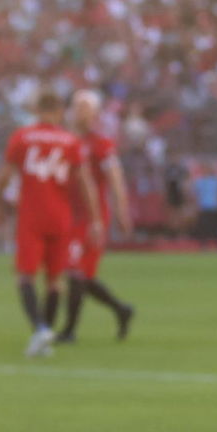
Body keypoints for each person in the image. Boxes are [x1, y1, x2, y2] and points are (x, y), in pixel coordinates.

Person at [0, 88, 101, 358]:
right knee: (55, 281)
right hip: (61, 217)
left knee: (24, 275)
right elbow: (85, 182)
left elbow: (2, 176)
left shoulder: (23, 137)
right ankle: (46, 334)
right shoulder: (70, 141)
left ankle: (40, 328)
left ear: (37, 110)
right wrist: (95, 218)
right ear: (61, 112)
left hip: (32, 215)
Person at [55, 89, 136, 344]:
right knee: (81, 275)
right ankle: (121, 309)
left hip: (91, 218)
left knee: (75, 272)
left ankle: (69, 330)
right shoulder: (65, 140)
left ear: (95, 113)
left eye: (85, 107)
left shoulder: (101, 144)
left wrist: (122, 211)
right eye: (77, 106)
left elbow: (115, 180)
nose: (80, 111)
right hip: (67, 215)